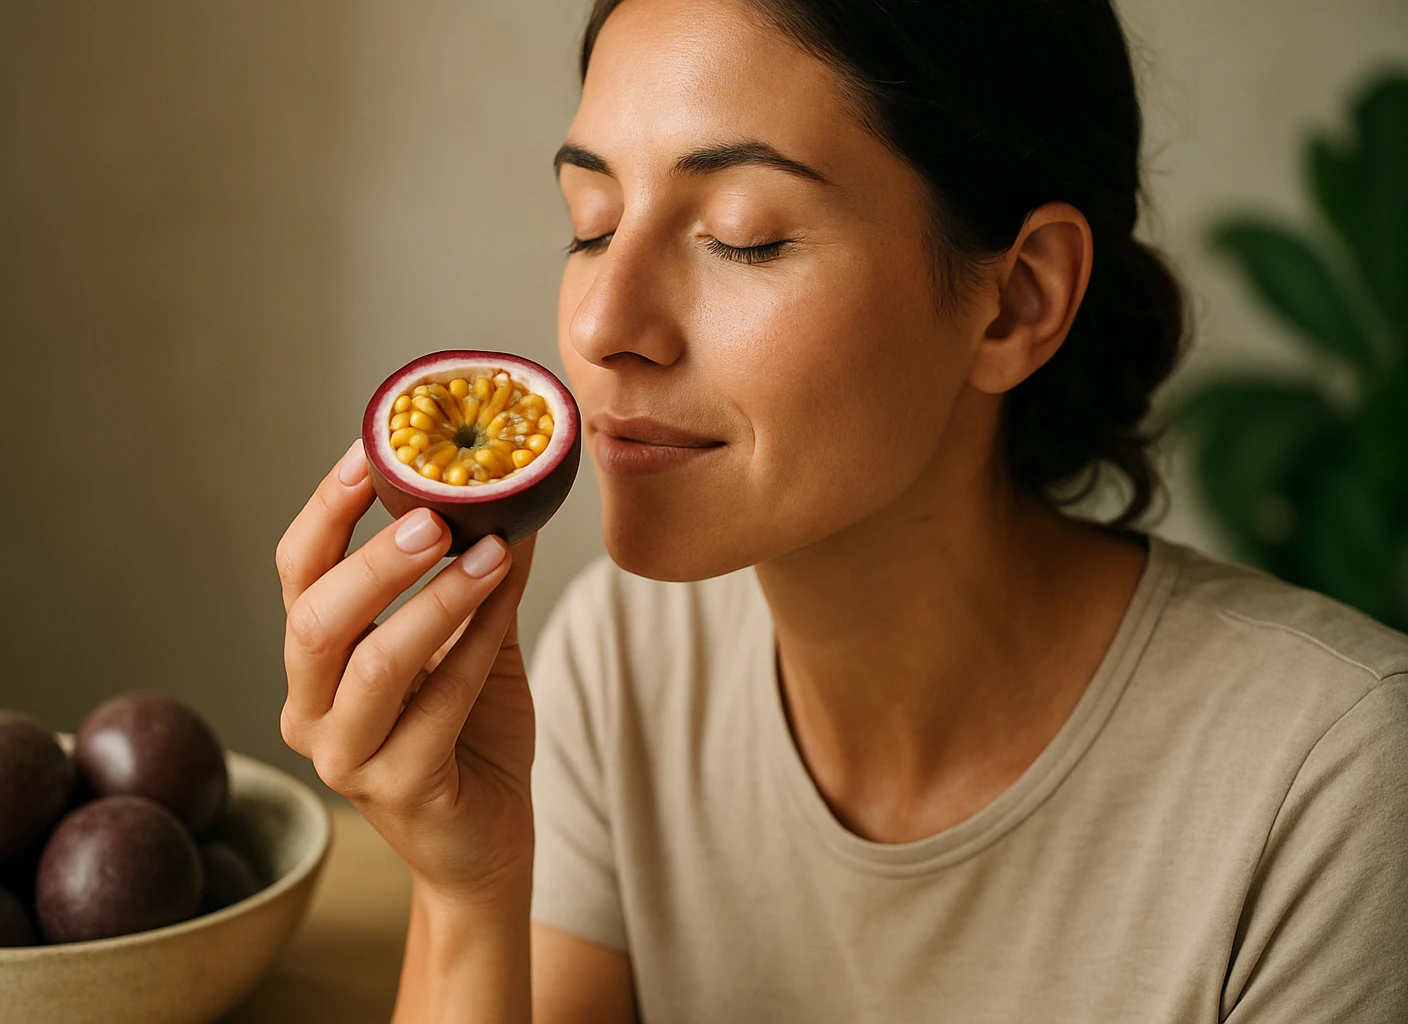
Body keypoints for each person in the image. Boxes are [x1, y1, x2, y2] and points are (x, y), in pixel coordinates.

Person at [273, 0, 1408, 1020]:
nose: (602, 323)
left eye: (744, 235)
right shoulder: (626, 665)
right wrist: (467, 889)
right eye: (592, 219)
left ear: (1017, 300)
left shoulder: (1334, 794)